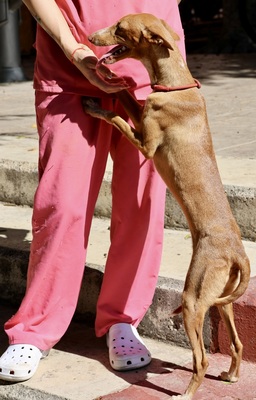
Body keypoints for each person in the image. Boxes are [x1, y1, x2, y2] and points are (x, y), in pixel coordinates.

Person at [0, 0, 185, 382]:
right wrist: (75, 48)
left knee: (142, 203)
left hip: (152, 66)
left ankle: (122, 318)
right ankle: (34, 328)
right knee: (62, 203)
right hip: (68, 65)